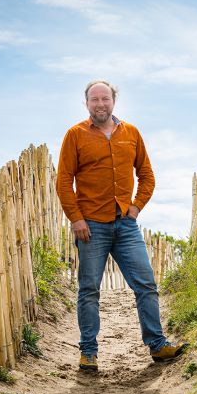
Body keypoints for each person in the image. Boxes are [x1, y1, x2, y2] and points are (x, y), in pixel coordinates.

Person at [56, 80, 188, 371]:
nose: (100, 104)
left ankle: (157, 346)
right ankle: (88, 352)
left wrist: (136, 206)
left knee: (146, 283)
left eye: (105, 99)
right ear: (86, 103)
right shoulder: (75, 135)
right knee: (89, 289)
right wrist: (76, 218)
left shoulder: (131, 133)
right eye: (94, 100)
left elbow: (147, 175)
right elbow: (64, 180)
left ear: (113, 101)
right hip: (90, 226)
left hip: (125, 225)